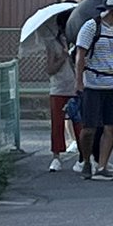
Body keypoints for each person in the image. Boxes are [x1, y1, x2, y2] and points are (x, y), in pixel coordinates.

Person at [74, 0, 113, 182]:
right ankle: (87, 160)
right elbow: (81, 55)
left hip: (111, 84)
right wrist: (78, 81)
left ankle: (103, 165)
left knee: (111, 126)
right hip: (92, 83)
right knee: (89, 128)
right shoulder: (91, 27)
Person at [44, 16, 79, 172]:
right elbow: (50, 69)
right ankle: (56, 156)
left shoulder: (78, 42)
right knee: (57, 123)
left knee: (79, 122)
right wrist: (63, 57)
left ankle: (83, 157)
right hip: (58, 87)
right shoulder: (53, 44)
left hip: (76, 86)